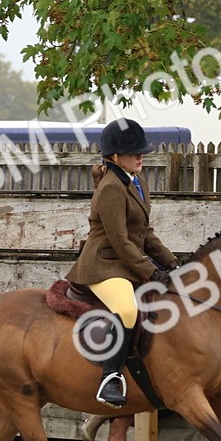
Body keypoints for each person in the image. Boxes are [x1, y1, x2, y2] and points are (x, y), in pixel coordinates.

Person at [66, 119, 179, 407]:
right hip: (104, 266)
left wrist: (173, 264)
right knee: (127, 308)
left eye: (142, 152)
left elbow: (145, 233)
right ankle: (109, 378)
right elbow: (119, 240)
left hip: (126, 263)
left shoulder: (138, 181)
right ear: (115, 157)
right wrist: (151, 271)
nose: (141, 156)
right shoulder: (111, 188)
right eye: (134, 153)